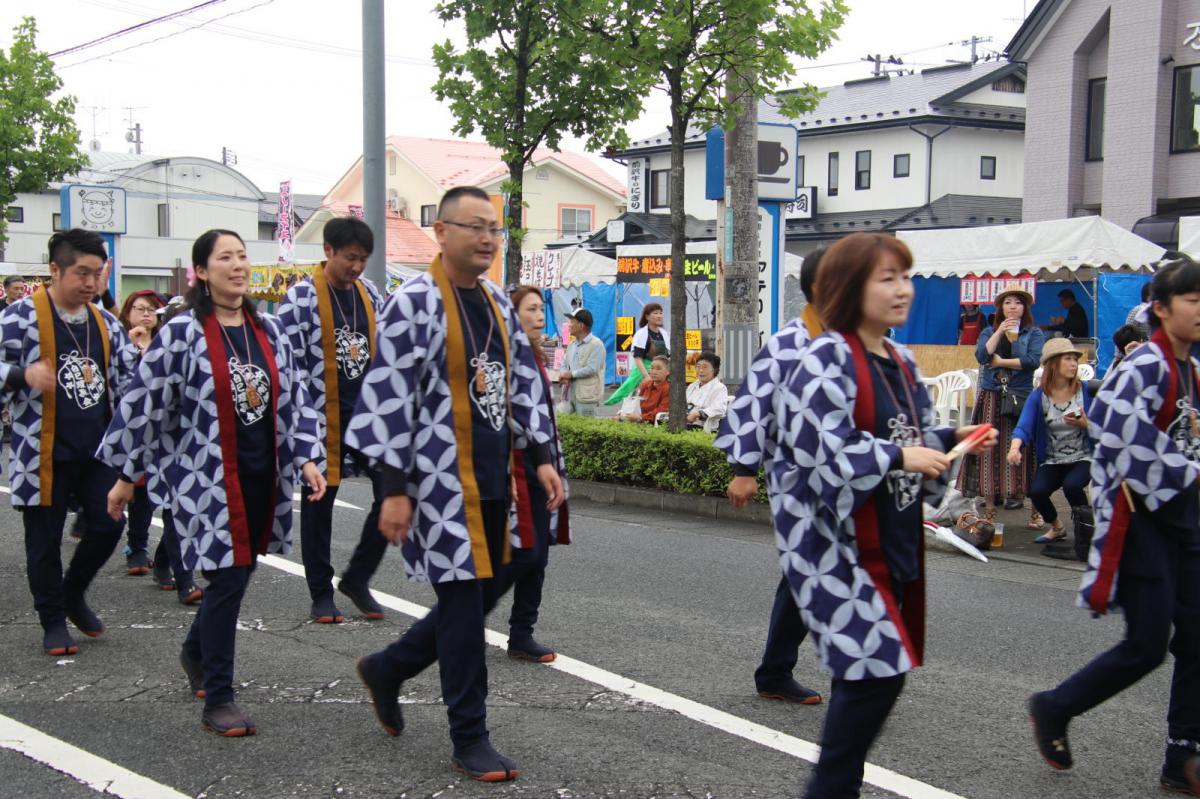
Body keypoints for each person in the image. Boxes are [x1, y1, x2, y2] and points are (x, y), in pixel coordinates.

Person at [345, 186, 563, 781]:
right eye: (474, 227)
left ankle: (390, 666)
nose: (487, 238)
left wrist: (540, 453)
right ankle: (470, 736)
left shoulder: (495, 300)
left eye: (494, 228)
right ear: (441, 232)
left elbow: (518, 385)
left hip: (495, 479)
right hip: (439, 486)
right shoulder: (413, 303)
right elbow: (387, 398)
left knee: (499, 579)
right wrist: (392, 488)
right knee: (465, 609)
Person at [775, 232, 996, 798]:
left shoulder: (898, 358)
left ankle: (832, 787)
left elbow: (915, 437)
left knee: (872, 675)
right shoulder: (825, 355)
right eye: (887, 278)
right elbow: (816, 448)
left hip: (888, 537)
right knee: (876, 671)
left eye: (905, 276)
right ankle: (830, 788)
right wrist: (900, 455)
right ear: (851, 288)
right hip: (835, 547)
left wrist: (952, 437)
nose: (904, 290)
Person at [102, 229, 327, 737]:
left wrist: (309, 458)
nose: (238, 265)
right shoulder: (183, 332)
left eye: (243, 256)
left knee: (240, 574)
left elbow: (293, 403)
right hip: (204, 482)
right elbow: (143, 405)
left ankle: (192, 652)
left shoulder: (269, 330)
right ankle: (219, 697)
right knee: (225, 582)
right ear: (201, 272)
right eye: (225, 257)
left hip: (259, 477)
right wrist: (124, 477)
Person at [1028, 257, 1200, 795]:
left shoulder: (1191, 369)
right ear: (1163, 309)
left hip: (1186, 520)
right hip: (1143, 519)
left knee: (1198, 639)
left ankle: (1182, 754)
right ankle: (1055, 707)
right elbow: (1114, 428)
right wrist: (1190, 471)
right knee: (1147, 645)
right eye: (1193, 300)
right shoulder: (1145, 365)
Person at [0, 229, 136, 656]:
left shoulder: (106, 322)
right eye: (82, 273)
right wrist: (23, 376)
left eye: (97, 274)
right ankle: (53, 619)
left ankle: (73, 591)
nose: (91, 284)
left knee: (109, 522)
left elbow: (130, 383)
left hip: (96, 450)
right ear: (55, 270)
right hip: (40, 452)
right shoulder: (19, 316)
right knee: (44, 540)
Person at [716, 245, 827, 706]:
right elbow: (752, 403)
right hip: (801, 476)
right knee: (805, 571)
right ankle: (778, 670)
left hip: (853, 478)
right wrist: (744, 469)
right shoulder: (790, 343)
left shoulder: (859, 341)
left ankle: (788, 668)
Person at [277, 216, 389, 624]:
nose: (357, 267)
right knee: (319, 504)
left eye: (363, 259)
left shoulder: (371, 293)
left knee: (394, 492)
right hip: (321, 418)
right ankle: (321, 592)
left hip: (369, 418)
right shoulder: (301, 298)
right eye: (349, 258)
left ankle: (357, 578)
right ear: (328, 251)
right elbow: (287, 366)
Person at [507, 286, 572, 663]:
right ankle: (455, 623)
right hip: (516, 465)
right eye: (529, 309)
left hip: (539, 464)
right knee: (524, 554)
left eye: (538, 309)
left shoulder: (534, 355)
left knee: (537, 555)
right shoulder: (508, 355)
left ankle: (522, 633)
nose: (537, 315)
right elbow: (518, 414)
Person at [958, 282, 1045, 523]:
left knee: (1025, 450)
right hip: (992, 395)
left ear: (1024, 307)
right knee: (989, 451)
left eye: (1018, 302)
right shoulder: (989, 331)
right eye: (1007, 302)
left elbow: (1032, 361)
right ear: (1000, 307)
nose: (1013, 307)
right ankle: (989, 510)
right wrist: (998, 332)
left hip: (1020, 394)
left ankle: (1036, 510)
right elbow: (981, 356)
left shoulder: (1033, 332)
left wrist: (1001, 363)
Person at [1007, 339, 1094, 545]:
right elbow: (1024, 425)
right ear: (1053, 363)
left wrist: (1085, 424)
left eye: (1075, 359)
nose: (1074, 364)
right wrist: (1015, 448)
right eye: (1068, 359)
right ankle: (1057, 527)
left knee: (1072, 485)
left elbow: (1105, 426)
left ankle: (1086, 531)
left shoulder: (1087, 391)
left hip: (1084, 457)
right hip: (1054, 460)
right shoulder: (1039, 396)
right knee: (1037, 492)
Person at [604, 302, 668, 406]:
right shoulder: (641, 334)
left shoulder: (663, 333)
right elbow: (638, 357)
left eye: (661, 313)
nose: (659, 316)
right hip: (644, 372)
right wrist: (646, 376)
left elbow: (667, 355)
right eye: (655, 313)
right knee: (640, 399)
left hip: (661, 371)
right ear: (647, 316)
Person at [558, 307, 606, 416]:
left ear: (581, 325)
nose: (569, 325)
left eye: (572, 321)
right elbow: (564, 363)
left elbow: (592, 369)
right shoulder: (572, 344)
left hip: (587, 396)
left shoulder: (596, 344)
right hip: (569, 394)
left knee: (587, 428)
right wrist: (564, 374)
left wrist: (570, 374)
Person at [685, 351, 728, 431]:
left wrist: (698, 413)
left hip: (704, 426)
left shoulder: (719, 388)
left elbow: (719, 409)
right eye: (698, 366)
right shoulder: (692, 386)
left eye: (705, 367)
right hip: (685, 421)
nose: (700, 370)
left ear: (714, 370)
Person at [619, 355, 670, 422]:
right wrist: (622, 414)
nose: (654, 372)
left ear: (668, 371)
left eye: (658, 369)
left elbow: (661, 412)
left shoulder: (668, 389)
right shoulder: (646, 384)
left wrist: (640, 417)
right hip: (637, 419)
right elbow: (635, 403)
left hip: (653, 424)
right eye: (652, 368)